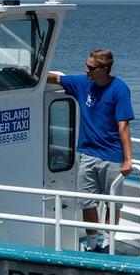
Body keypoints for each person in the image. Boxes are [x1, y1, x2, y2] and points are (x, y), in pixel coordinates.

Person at [47, 49, 134, 253]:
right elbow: (57, 78)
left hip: (112, 156)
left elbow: (123, 126)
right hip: (87, 154)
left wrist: (128, 159)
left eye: (91, 67)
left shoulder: (119, 89)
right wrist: (29, 70)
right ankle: (94, 244)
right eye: (86, 65)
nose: (86, 69)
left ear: (104, 69)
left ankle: (108, 243)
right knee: (87, 202)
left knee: (112, 203)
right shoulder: (83, 83)